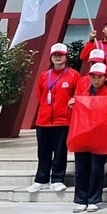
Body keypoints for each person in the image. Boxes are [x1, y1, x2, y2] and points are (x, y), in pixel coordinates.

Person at [27, 43, 80, 194]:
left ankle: (57, 179)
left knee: (60, 152)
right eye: (55, 55)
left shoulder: (74, 75)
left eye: (60, 55)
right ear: (51, 57)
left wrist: (73, 101)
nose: (58, 57)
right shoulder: (44, 75)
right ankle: (41, 180)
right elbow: (40, 95)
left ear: (66, 57)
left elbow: (78, 94)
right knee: (43, 152)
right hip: (43, 121)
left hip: (63, 120)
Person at [69, 62, 107, 212]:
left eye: (99, 77)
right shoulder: (83, 95)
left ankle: (93, 199)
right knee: (81, 170)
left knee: (96, 169)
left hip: (100, 139)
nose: (96, 80)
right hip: (82, 137)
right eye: (93, 77)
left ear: (105, 78)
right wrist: (73, 106)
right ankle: (81, 200)